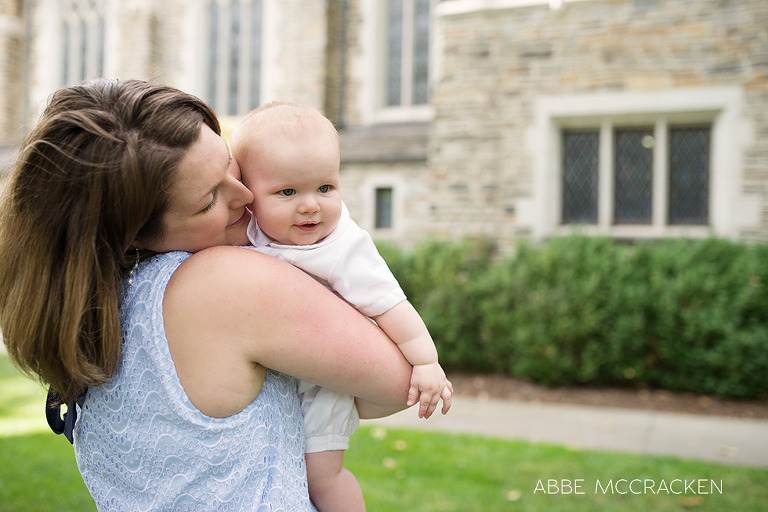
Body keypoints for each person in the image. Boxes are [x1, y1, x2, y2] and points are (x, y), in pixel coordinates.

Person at [0, 79, 417, 511]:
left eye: (230, 165)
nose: (247, 195)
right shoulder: (224, 283)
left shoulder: (92, 312)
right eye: (208, 200)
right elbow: (401, 381)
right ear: (132, 237)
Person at [230, 102, 452, 511]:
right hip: (275, 374)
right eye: (287, 192)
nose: (311, 205)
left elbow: (390, 304)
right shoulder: (248, 230)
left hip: (323, 387)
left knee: (321, 475)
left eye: (325, 188)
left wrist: (425, 361)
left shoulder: (342, 246)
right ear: (247, 195)